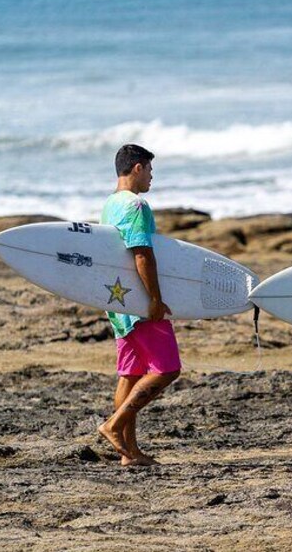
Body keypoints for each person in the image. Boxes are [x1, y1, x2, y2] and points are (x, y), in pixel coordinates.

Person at [97, 144, 181, 467]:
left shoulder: (109, 206)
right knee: (167, 369)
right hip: (139, 302)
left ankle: (128, 452)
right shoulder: (136, 206)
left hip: (116, 300)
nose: (151, 177)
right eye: (149, 170)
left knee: (130, 374)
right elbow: (142, 254)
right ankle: (114, 425)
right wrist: (156, 300)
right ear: (137, 168)